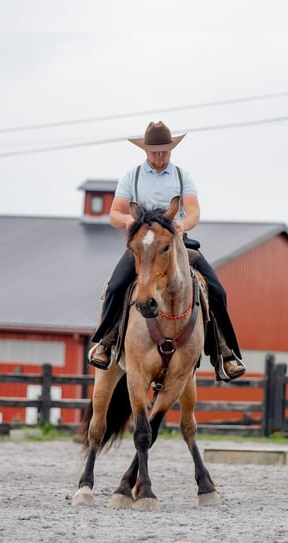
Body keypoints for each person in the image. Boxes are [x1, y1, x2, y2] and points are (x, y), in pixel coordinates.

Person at [88, 120, 246, 381]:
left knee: (216, 290)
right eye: (154, 152)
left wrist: (183, 224)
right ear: (146, 151)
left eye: (164, 151)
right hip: (144, 246)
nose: (159, 156)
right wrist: (129, 222)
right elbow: (114, 213)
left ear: (171, 150)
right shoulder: (132, 176)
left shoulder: (182, 176)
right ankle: (106, 341)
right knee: (116, 287)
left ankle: (225, 352)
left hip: (176, 244)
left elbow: (194, 210)